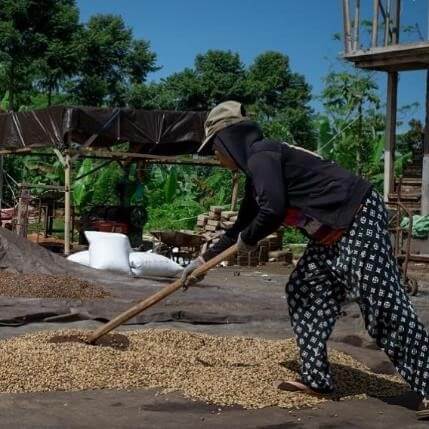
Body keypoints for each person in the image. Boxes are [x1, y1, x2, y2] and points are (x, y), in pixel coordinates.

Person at [181, 100, 429, 419]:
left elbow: (272, 211)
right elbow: (242, 225)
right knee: (304, 289)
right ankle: (316, 379)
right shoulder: (258, 172)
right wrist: (202, 261)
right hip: (330, 235)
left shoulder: (262, 155)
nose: (215, 155)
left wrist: (248, 239)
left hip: (356, 217)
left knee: (382, 306)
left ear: (229, 140)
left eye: (214, 147)